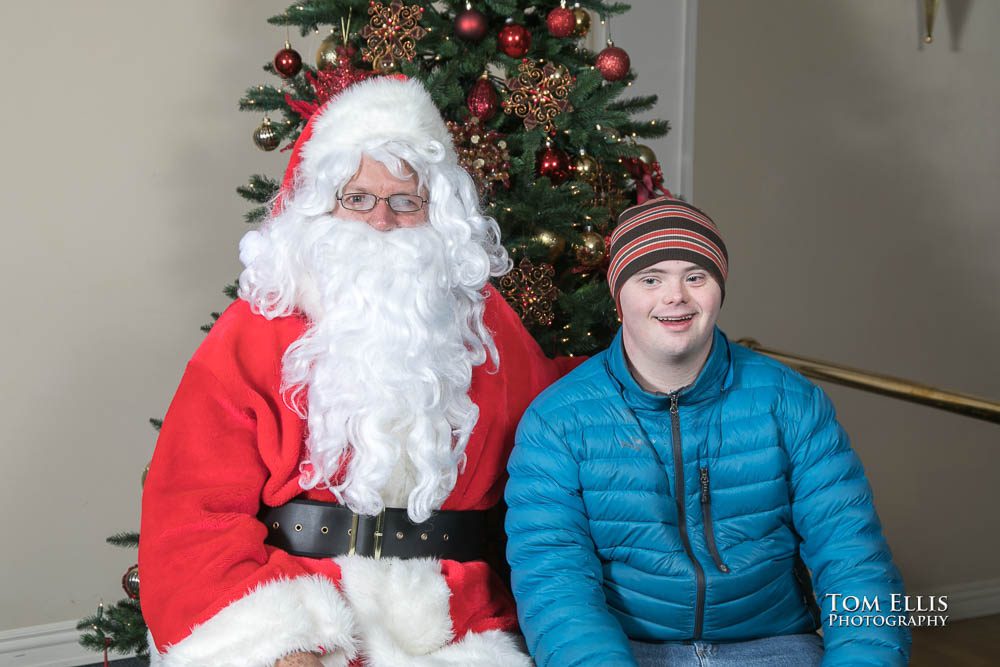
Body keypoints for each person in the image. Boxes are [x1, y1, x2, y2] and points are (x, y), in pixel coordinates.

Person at [139, 76, 578, 667]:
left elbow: (563, 434)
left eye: (405, 201)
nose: (381, 221)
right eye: (358, 198)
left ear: (438, 212)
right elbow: (191, 511)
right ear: (323, 204)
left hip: (460, 622)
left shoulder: (483, 326)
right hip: (300, 611)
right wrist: (278, 644)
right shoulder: (258, 325)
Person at [505, 197, 911, 666]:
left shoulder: (791, 402)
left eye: (695, 277)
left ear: (719, 290)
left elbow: (854, 560)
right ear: (619, 297)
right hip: (628, 650)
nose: (675, 296)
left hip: (775, 645)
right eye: (651, 279)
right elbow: (557, 587)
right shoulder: (556, 421)